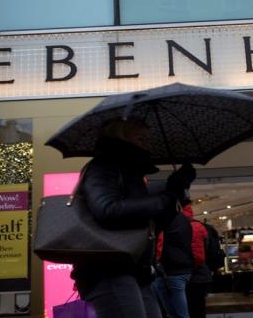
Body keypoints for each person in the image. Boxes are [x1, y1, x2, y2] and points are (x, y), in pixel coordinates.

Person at [69, 119, 196, 318]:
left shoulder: (131, 173)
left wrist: (176, 192)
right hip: (108, 268)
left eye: (148, 138)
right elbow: (108, 210)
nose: (147, 144)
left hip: (134, 268)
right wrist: (165, 198)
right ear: (121, 137)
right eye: (141, 138)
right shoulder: (104, 167)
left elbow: (148, 226)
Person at [152, 198, 196, 318]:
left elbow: (160, 243)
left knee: (176, 313)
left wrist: (156, 262)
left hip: (170, 269)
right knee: (180, 312)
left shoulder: (165, 220)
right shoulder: (185, 221)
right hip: (183, 267)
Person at [182, 200, 210, 318]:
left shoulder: (174, 226)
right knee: (199, 309)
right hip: (201, 275)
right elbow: (207, 249)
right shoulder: (199, 226)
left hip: (183, 275)